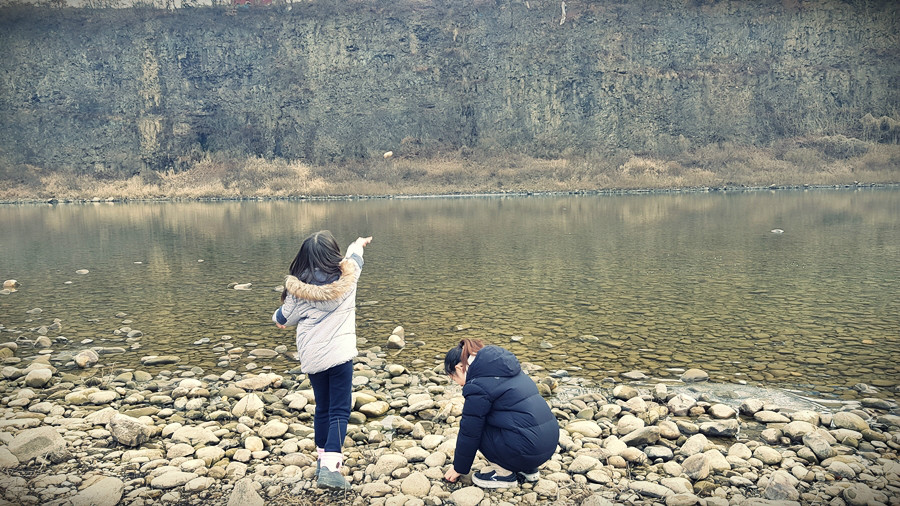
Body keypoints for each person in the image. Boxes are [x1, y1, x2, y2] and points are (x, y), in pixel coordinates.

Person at [272, 231, 372, 490]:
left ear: (304, 258)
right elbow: (355, 258)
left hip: (313, 357)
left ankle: (321, 459)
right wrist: (358, 244)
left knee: (323, 408)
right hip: (339, 354)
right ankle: (331, 468)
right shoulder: (348, 277)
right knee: (340, 410)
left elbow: (283, 319)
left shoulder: (297, 290)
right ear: (333, 254)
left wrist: (277, 318)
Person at [442, 338, 559, 488]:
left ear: (459, 368)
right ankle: (528, 470)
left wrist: (459, 468)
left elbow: (469, 432)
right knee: (513, 419)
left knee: (478, 426)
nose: (459, 384)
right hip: (547, 446)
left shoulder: (477, 385)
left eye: (454, 378)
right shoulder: (510, 370)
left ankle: (504, 476)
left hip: (527, 449)